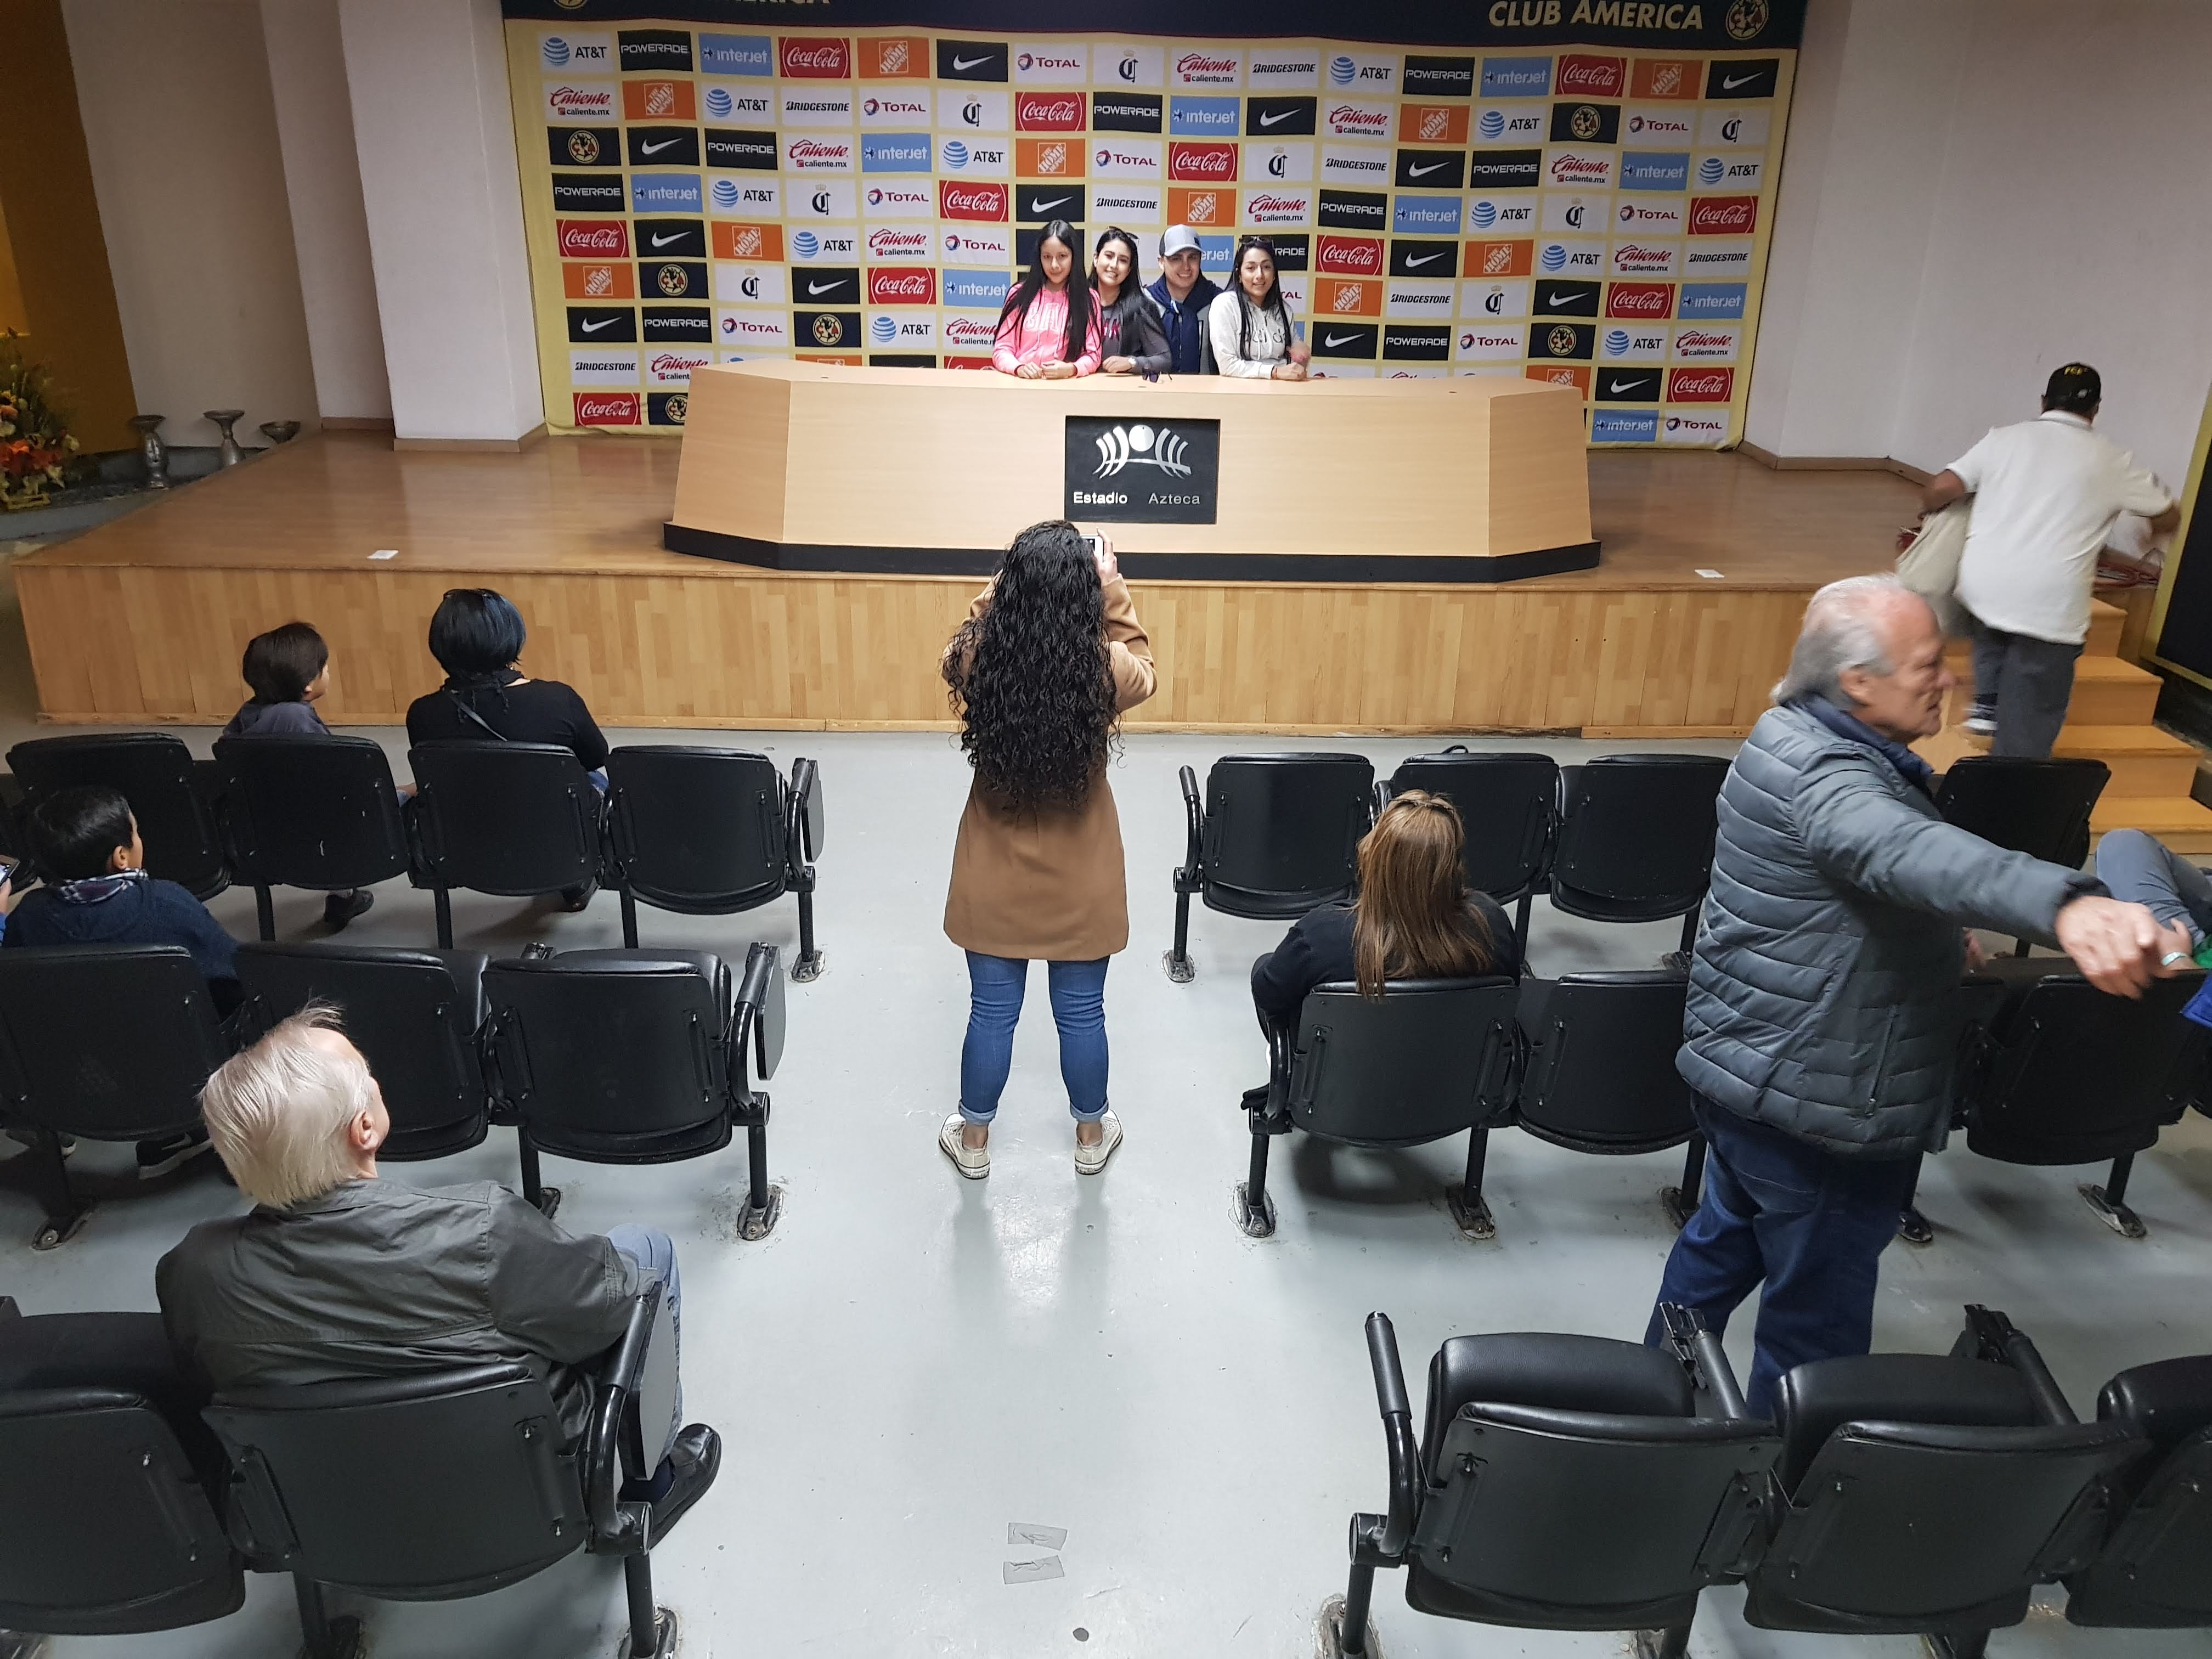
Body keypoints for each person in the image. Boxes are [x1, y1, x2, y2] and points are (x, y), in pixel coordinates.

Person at [1644, 574, 2183, 1415]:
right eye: (1928, 664)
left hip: (1748, 1073)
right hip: (1822, 1107)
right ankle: (1783, 1495)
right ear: (1856, 681)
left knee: (1722, 1242)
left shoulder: (1783, 734)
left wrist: (1933, 932)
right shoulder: (1831, 781)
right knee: (1811, 1337)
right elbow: (1907, 851)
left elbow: (1861, 881)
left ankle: (1655, 1399)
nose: (1950, 680)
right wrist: (2068, 905)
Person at [157, 1006, 720, 1524]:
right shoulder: (482, 1230)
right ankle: (648, 1487)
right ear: (365, 1129)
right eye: (365, 1071)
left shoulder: (190, 1272)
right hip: (538, 1491)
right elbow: (609, 1310)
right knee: (646, 1254)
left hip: (341, 1509)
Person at [939, 522, 1155, 1178]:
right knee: (1082, 1012)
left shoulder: (981, 660)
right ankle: (1092, 1136)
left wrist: (1002, 587)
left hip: (993, 873)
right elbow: (1144, 665)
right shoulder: (1104, 670)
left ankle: (973, 1143)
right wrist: (1113, 587)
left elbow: (960, 640)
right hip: (1081, 876)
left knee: (992, 1014)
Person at [1920, 364, 2179, 757]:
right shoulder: (2113, 459)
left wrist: (1931, 511)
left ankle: (1987, 700)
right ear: (2095, 409)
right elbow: (2168, 512)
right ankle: (2013, 775)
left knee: (1991, 616)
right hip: (2049, 603)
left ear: (2044, 402)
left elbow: (1941, 487)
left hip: (1983, 585)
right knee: (2033, 706)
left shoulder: (2003, 439)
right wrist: (2153, 534)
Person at [3, 785, 243, 1177]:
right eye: (135, 832)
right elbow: (233, 979)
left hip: (77, 1078)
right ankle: (188, 1133)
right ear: (121, 857)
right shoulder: (169, 903)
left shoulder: (29, 915)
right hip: (178, 1074)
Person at [405, 588, 609, 909]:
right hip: (553, 838)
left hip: (466, 849)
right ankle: (573, 875)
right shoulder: (558, 700)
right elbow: (595, 757)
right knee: (596, 779)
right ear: (512, 637)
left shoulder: (422, 713)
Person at [1251, 791, 1519, 1029]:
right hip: (1461, 1076)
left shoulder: (1320, 935)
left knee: (1264, 967)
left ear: (1373, 859)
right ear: (1454, 868)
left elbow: (1269, 995)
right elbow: (1508, 995)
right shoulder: (1491, 923)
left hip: (1347, 1079)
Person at [223, 620, 374, 930]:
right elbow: (332, 784)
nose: (328, 672)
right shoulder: (296, 721)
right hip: (311, 829)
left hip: (256, 830)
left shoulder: (249, 714)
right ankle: (342, 893)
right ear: (308, 685)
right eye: (325, 668)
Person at [990, 219, 1100, 380]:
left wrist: (1071, 369)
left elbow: (1093, 355)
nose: (1054, 265)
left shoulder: (1088, 298)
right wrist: (1018, 368)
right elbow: (1001, 349)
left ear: (1074, 257)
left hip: (1066, 390)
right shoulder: (1019, 294)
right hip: (1021, 388)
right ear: (1039, 257)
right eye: (1047, 257)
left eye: (1062, 256)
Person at [1209, 236, 1310, 381]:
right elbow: (1227, 365)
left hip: (1281, 393)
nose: (1260, 275)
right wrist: (1274, 372)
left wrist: (1302, 357)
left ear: (1274, 275)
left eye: (1267, 267)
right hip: (1239, 394)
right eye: (1251, 268)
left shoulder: (1284, 309)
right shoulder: (1225, 305)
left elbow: (1295, 358)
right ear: (1239, 275)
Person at [1090, 228, 1169, 377]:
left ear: (1129, 269)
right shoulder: (1076, 302)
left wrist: (1132, 363)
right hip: (1077, 393)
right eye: (1109, 256)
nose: (1114, 265)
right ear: (1096, 258)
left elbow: (1164, 359)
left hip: (1123, 395)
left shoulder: (1141, 307)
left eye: (1123, 260)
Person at [1145, 225, 1221, 376]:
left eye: (1193, 257)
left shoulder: (1219, 302)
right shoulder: (1146, 302)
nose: (1186, 266)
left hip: (1208, 396)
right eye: (1176, 258)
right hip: (1154, 393)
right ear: (1161, 262)